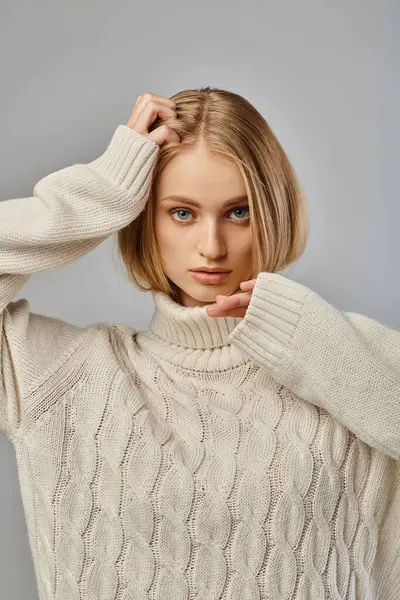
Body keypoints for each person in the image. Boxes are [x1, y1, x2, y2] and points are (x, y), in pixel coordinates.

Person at [0, 88, 398, 600]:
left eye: (238, 213)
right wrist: (101, 192)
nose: (212, 246)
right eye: (182, 213)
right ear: (144, 215)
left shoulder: (340, 364)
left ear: (273, 213)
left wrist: (303, 333)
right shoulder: (54, 374)